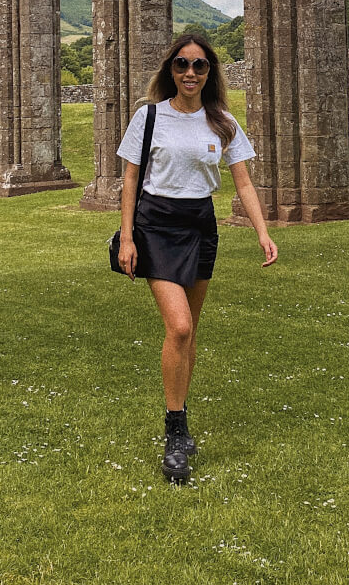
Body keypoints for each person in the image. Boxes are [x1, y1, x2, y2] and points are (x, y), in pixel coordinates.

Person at [116, 32, 278, 484]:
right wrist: (128, 237)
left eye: (200, 66)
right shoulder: (148, 117)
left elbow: (243, 183)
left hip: (201, 227)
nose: (190, 73)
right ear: (171, 70)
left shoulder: (223, 121)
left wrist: (262, 232)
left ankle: (180, 416)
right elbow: (129, 180)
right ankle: (175, 432)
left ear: (210, 73)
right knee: (179, 326)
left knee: (189, 335)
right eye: (182, 64)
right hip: (156, 226)